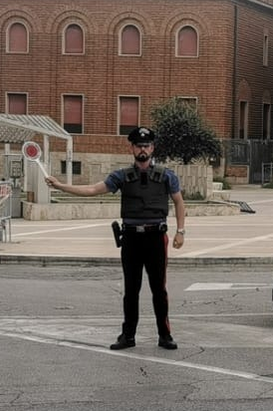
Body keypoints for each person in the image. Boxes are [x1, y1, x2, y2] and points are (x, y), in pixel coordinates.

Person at [45, 126, 186, 350]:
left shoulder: (166, 175)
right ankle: (128, 336)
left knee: (159, 289)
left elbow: (179, 202)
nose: (143, 149)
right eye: (139, 146)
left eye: (146, 145)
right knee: (131, 289)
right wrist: (61, 186)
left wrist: (180, 231)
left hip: (156, 238)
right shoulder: (121, 176)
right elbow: (92, 190)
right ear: (131, 148)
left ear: (152, 148)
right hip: (131, 239)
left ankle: (165, 335)